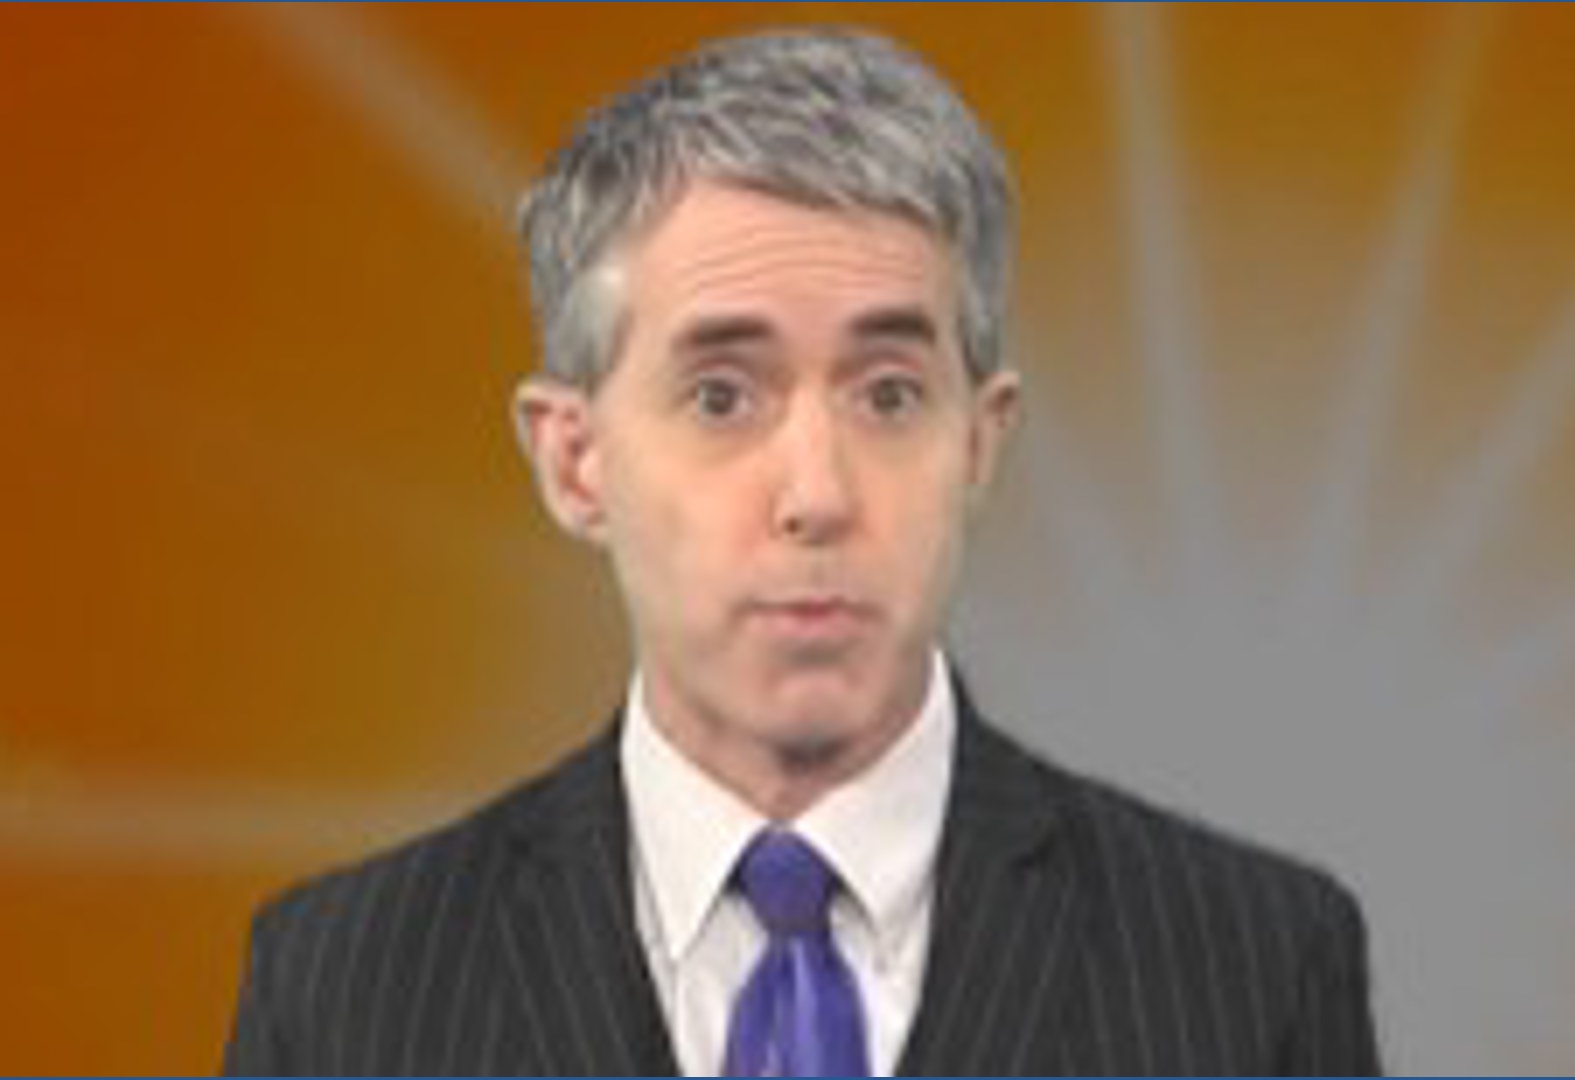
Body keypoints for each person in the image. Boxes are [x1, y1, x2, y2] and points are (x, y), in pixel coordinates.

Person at [222, 27, 1381, 1077]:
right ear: (575, 461)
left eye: (889, 395)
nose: (818, 495)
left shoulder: (1256, 967)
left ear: (979, 443)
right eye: (722, 396)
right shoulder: (342, 992)